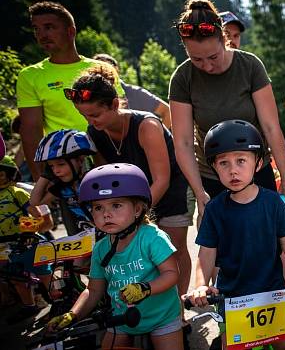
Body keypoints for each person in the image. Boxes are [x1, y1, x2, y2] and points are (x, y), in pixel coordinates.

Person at [66, 66, 193, 306]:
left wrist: (136, 216)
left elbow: (162, 179)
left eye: (95, 115)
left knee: (173, 249)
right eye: (85, 116)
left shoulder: (147, 126)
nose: (90, 122)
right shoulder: (96, 131)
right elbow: (102, 178)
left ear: (114, 104)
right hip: (134, 198)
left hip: (171, 189)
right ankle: (150, 304)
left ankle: (178, 307)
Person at [169, 0, 285, 228]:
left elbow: (271, 127)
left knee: (269, 241)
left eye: (213, 57)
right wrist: (200, 193)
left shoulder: (250, 66)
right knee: (221, 251)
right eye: (196, 59)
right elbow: (183, 143)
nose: (207, 67)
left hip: (256, 171)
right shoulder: (182, 78)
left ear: (224, 39)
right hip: (212, 176)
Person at [184, 120, 285, 350]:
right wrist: (201, 285)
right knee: (232, 345)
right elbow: (205, 255)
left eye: (241, 161)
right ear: (214, 168)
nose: (233, 170)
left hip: (272, 292)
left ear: (258, 163)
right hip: (232, 298)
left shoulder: (272, 201)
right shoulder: (214, 209)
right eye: (223, 163)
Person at [47, 164, 182, 350]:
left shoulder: (152, 237)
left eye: (116, 205)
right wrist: (72, 314)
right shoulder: (101, 248)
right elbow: (93, 290)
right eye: (98, 207)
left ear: (137, 210)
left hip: (162, 317)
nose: (106, 214)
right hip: (121, 319)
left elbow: (172, 274)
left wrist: (145, 288)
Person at [16, 1, 123, 180]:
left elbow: (119, 114)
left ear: (71, 31)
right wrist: (41, 179)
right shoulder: (30, 76)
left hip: (109, 158)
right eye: (36, 29)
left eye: (49, 27)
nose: (42, 35)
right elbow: (31, 132)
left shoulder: (102, 68)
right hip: (63, 166)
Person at [0, 155, 54, 322]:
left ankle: (59, 300)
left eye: (0, 173)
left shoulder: (16, 192)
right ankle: (28, 305)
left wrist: (32, 228)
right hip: (3, 244)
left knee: (44, 273)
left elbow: (36, 214)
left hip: (25, 240)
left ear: (9, 174)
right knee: (16, 277)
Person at [29, 129, 97, 235]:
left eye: (61, 164)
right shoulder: (64, 188)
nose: (56, 171)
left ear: (80, 160)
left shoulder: (95, 181)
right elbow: (35, 202)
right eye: (51, 166)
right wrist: (45, 176)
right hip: (88, 235)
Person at [92, 53, 172, 129]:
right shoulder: (88, 98)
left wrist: (157, 137)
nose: (102, 74)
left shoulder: (134, 93)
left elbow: (167, 111)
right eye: (97, 71)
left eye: (106, 69)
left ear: (116, 70)